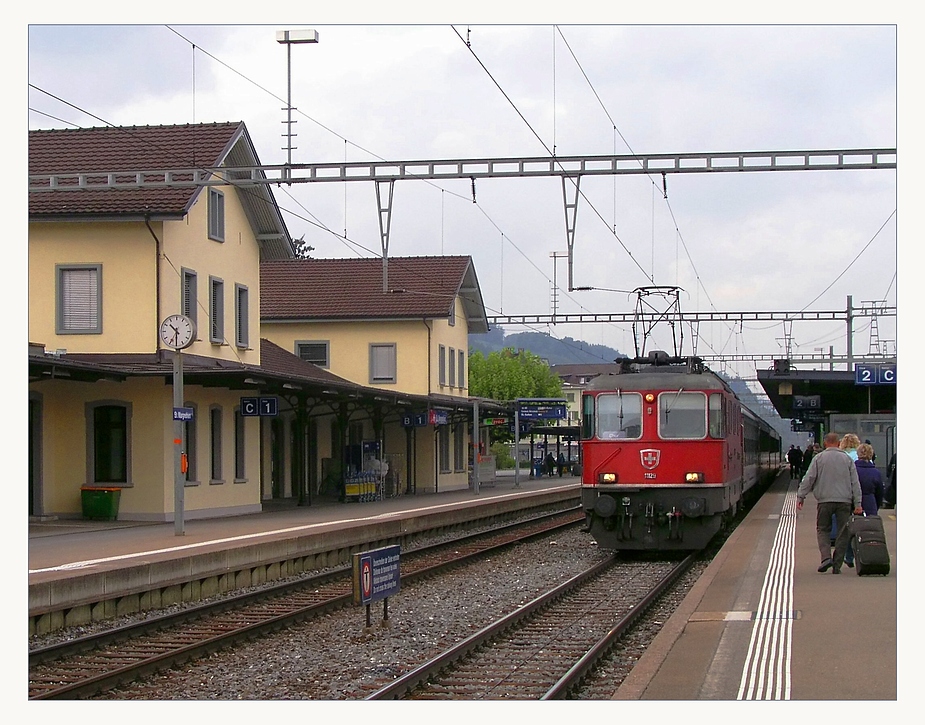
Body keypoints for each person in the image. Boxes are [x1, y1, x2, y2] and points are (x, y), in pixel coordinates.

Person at [797, 431, 863, 574]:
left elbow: (809, 478)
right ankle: (837, 565)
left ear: (825, 443)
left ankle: (826, 558)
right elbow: (855, 483)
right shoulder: (847, 459)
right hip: (844, 502)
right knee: (843, 532)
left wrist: (801, 496)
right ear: (838, 443)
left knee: (823, 529)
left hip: (824, 501)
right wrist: (858, 504)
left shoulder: (818, 458)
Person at [844, 442, 884, 568]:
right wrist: (876, 504)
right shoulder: (876, 472)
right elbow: (880, 492)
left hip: (854, 502)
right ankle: (871, 554)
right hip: (870, 501)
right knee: (871, 531)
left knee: (852, 529)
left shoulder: (852, 469)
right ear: (871, 455)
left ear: (858, 454)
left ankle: (849, 556)